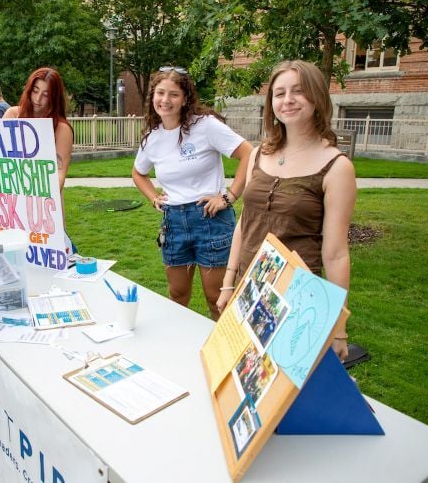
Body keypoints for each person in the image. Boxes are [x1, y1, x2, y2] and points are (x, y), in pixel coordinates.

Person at [216, 60, 356, 361]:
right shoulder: (258, 155)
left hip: (297, 299)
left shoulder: (336, 166)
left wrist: (339, 326)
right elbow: (245, 222)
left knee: (283, 391)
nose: (287, 100)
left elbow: (336, 254)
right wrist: (229, 282)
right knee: (240, 381)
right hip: (248, 288)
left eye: (298, 91)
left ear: (317, 98)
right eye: (279, 94)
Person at [132, 66, 253, 320]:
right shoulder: (151, 138)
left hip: (211, 220)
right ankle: (179, 349)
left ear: (185, 98)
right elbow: (138, 173)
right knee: (177, 295)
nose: (165, 100)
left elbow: (248, 154)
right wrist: (154, 196)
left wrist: (228, 196)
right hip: (173, 223)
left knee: (216, 297)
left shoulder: (205, 126)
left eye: (173, 94)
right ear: (152, 96)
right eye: (160, 93)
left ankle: (226, 353)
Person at [3, 67, 73, 190]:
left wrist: (45, 196)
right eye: (35, 91)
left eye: (45, 95)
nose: (38, 99)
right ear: (29, 90)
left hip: (45, 200)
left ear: (54, 98)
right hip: (11, 196)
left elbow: (59, 174)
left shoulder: (62, 129)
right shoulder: (12, 115)